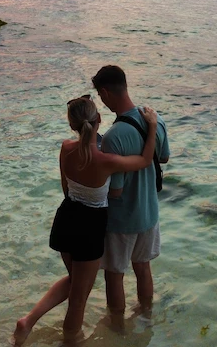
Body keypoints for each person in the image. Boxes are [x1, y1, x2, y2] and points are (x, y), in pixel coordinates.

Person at [13, 95, 158, 346]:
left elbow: (66, 190)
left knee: (74, 282)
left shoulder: (66, 148)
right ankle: (72, 341)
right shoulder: (106, 160)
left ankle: (29, 320)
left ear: (73, 126)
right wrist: (153, 126)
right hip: (89, 226)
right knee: (79, 298)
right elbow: (145, 160)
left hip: (65, 218)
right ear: (99, 120)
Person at [91, 65, 170, 318]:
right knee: (143, 268)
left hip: (122, 219)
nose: (102, 102)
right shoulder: (156, 120)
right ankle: (146, 316)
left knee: (114, 275)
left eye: (100, 96)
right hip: (149, 213)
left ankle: (117, 328)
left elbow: (115, 190)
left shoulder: (114, 136)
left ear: (105, 92)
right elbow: (164, 158)